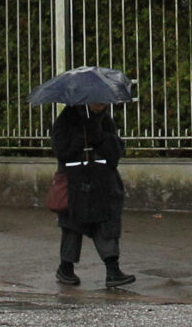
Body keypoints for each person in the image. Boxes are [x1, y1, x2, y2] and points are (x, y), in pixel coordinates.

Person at [50, 102, 133, 289]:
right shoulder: (67, 118)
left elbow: (116, 151)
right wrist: (81, 140)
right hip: (75, 180)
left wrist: (100, 138)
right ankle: (66, 267)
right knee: (73, 224)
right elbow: (60, 149)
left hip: (102, 180)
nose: (101, 104)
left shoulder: (105, 120)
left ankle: (113, 270)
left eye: (103, 101)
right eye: (96, 101)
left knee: (107, 221)